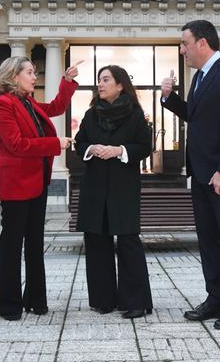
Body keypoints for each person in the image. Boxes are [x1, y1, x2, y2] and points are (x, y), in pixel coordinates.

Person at [161, 20, 220, 330]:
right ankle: (216, 299)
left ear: (202, 43)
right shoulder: (200, 77)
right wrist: (169, 98)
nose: (182, 49)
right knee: (208, 240)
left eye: (185, 43)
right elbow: (197, 118)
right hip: (201, 174)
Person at [0, 56, 78, 320]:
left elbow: (56, 107)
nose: (34, 76)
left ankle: (36, 300)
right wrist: (55, 144)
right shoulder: (2, 105)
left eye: (34, 71)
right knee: (12, 244)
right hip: (16, 184)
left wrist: (68, 81)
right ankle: (9, 305)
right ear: (14, 76)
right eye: (30, 72)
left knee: (35, 243)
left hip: (37, 181)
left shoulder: (27, 103)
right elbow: (16, 144)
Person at [75, 65, 153, 319]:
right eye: (99, 79)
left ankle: (136, 302)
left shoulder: (135, 114)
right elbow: (80, 143)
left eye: (106, 79)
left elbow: (144, 146)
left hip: (123, 186)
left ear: (120, 84)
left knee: (128, 241)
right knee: (97, 241)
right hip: (94, 186)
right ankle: (103, 300)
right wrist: (91, 149)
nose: (100, 84)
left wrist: (120, 150)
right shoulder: (90, 114)